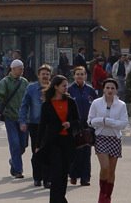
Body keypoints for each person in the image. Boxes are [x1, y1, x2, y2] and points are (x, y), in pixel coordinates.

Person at [36, 75, 81, 203]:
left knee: (63, 173)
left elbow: (78, 121)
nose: (66, 88)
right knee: (56, 172)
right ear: (56, 86)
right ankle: (56, 200)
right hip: (53, 142)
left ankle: (60, 198)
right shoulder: (47, 105)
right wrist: (38, 144)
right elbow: (42, 125)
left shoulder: (71, 102)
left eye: (67, 85)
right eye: (64, 85)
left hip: (68, 142)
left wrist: (70, 124)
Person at [88, 78, 129, 203]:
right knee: (104, 167)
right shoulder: (96, 103)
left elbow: (123, 124)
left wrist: (109, 122)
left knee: (111, 170)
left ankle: (108, 195)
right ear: (103, 89)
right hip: (101, 137)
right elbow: (90, 121)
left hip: (115, 138)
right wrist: (101, 121)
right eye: (107, 88)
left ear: (116, 90)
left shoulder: (121, 105)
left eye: (112, 88)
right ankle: (102, 194)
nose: (110, 90)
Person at [0, 58, 29, 179]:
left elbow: (29, 98)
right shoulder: (5, 82)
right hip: (10, 117)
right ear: (13, 69)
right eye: (20, 69)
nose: (22, 71)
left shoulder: (24, 82)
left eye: (22, 68)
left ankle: (13, 160)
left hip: (23, 117)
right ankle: (18, 170)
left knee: (23, 144)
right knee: (15, 143)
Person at [19, 64, 52, 187]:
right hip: (35, 124)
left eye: (47, 74)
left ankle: (47, 178)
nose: (45, 76)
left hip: (50, 125)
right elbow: (24, 105)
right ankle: (37, 177)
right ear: (38, 75)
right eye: (43, 74)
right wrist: (22, 121)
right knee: (37, 151)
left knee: (48, 151)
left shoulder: (54, 88)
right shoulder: (31, 88)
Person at [68, 65, 97, 186]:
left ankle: (85, 177)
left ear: (85, 75)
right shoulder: (69, 90)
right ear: (74, 76)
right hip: (74, 125)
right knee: (75, 152)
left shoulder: (90, 90)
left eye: (82, 74)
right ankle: (73, 175)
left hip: (87, 125)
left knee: (86, 151)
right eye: (77, 74)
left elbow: (95, 106)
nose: (80, 76)